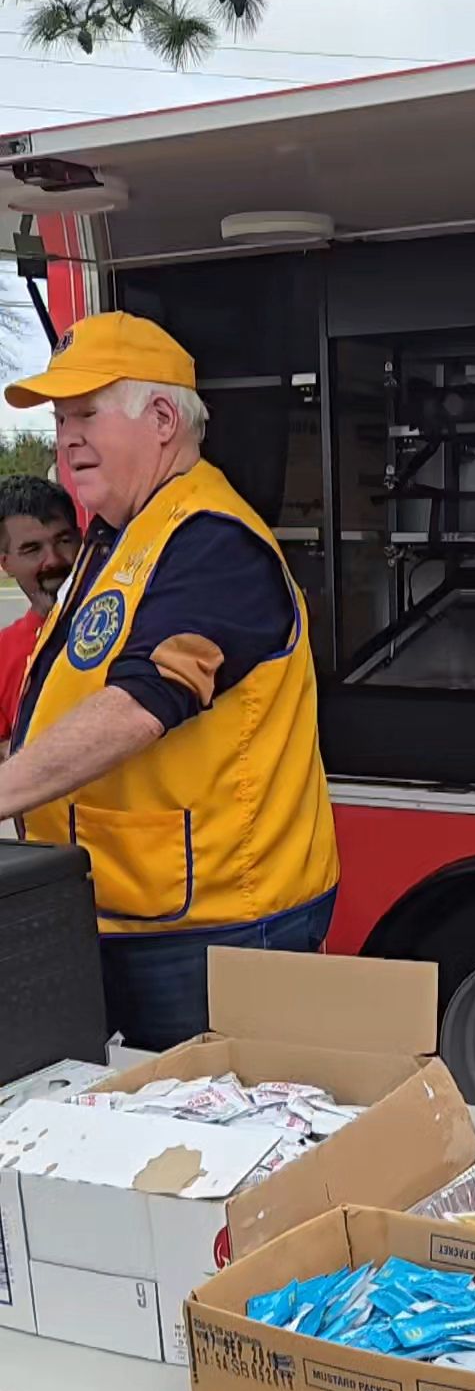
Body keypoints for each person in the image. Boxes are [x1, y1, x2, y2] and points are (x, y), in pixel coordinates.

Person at [1, 311, 339, 1049]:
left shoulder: (210, 541)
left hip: (213, 928)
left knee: (219, 1144)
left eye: (86, 414)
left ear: (161, 418)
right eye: (61, 421)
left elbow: (138, 708)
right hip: (130, 906)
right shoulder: (118, 533)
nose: (67, 438)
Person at [0, 477, 80, 746]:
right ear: (6, 563)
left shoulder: (129, 623)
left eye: (64, 540)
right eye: (32, 549)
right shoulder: (3, 652)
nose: (54, 560)